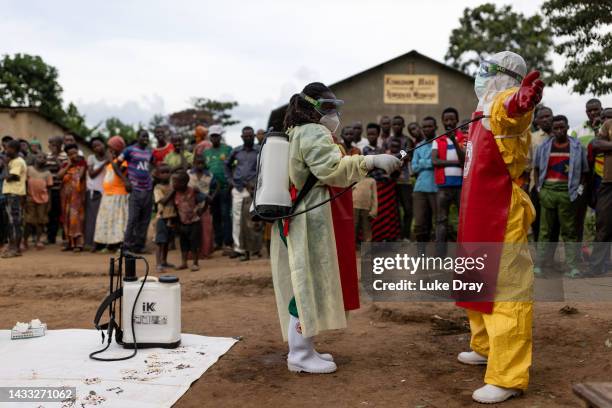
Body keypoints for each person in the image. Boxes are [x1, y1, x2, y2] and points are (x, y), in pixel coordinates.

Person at [270, 82, 401, 374]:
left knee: (306, 280)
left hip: (297, 214)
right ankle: (300, 354)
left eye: (334, 107)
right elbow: (330, 169)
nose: (333, 114)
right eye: (327, 107)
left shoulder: (296, 132)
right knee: (307, 284)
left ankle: (305, 347)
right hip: (308, 217)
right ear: (311, 108)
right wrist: (371, 161)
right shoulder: (313, 132)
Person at [455, 51, 543, 404]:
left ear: (506, 77)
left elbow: (515, 112)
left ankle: (508, 376)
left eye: (488, 70)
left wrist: (524, 98)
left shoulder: (504, 101)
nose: (480, 75)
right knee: (474, 278)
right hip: (475, 209)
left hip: (500, 210)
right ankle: (485, 345)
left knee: (507, 288)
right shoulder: (483, 107)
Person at [533, 115, 588, 277]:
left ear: (567, 127)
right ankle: (539, 266)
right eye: (555, 128)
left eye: (562, 127)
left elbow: (585, 172)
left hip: (568, 192)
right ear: (552, 129)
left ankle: (573, 267)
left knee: (569, 231)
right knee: (544, 231)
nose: (559, 131)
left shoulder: (577, 147)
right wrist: (538, 188)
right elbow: (536, 168)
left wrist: (579, 189)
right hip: (548, 191)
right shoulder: (543, 147)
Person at [432, 113, 465, 254]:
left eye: (452, 119)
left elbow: (464, 160)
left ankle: (464, 254)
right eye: (446, 119)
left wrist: (455, 141)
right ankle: (440, 254)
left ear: (457, 120)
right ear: (442, 121)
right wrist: (455, 163)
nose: (449, 122)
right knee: (441, 220)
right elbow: (435, 161)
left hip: (461, 187)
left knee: (463, 221)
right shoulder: (437, 140)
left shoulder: (463, 138)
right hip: (443, 187)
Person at [571, 99, 603, 245]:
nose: (593, 113)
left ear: (601, 109)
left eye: (596, 109)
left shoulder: (607, 128)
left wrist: (598, 129)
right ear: (586, 112)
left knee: (602, 216)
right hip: (582, 179)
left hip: (602, 179)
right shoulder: (577, 130)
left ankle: (598, 253)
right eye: (590, 110)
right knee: (579, 215)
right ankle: (579, 252)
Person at [225, 126, 259, 258]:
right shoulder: (236, 151)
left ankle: (254, 248)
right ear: (242, 137)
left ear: (254, 136)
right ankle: (239, 248)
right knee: (237, 218)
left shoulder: (259, 150)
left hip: (253, 188)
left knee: (254, 219)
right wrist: (231, 181)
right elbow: (227, 165)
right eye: (246, 136)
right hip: (238, 188)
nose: (249, 138)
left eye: (251, 136)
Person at [120, 129, 154, 253]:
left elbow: (153, 165)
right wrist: (125, 180)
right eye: (143, 136)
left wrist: (152, 176)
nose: (146, 138)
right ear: (137, 137)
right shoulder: (129, 150)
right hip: (135, 189)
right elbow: (115, 165)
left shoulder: (149, 152)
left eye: (147, 136)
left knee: (145, 220)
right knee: (133, 219)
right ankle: (126, 247)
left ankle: (139, 246)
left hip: (148, 190)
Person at [94, 136, 130, 252]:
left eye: (111, 148)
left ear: (117, 148)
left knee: (118, 221)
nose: (109, 150)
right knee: (108, 221)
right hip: (107, 196)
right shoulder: (110, 163)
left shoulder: (123, 161)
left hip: (118, 196)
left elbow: (120, 173)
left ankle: (120, 244)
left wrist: (110, 159)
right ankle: (109, 244)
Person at [411, 120, 438, 255]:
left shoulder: (440, 143)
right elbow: (414, 167)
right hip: (420, 188)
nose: (427, 129)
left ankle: (439, 252)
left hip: (437, 187)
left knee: (438, 220)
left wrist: (423, 162)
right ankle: (421, 252)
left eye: (429, 126)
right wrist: (430, 162)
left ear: (435, 127)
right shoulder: (418, 146)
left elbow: (438, 163)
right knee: (420, 222)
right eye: (424, 127)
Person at [589, 115, 612, 276]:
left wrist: (609, 146)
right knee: (603, 225)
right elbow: (596, 144)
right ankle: (595, 267)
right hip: (608, 183)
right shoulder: (609, 124)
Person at [205, 125, 233, 252]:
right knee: (215, 216)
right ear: (210, 137)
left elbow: (234, 166)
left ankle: (228, 242)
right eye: (213, 136)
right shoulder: (206, 152)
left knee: (225, 214)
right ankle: (218, 241)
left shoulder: (228, 149)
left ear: (220, 136)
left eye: (217, 135)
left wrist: (231, 182)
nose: (215, 138)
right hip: (211, 190)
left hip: (225, 188)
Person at [528, 107, 555, 242]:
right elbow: (528, 163)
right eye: (542, 117)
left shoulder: (560, 136)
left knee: (555, 222)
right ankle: (540, 254)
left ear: (553, 117)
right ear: (536, 121)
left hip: (558, 185)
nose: (545, 119)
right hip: (537, 185)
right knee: (537, 220)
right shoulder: (532, 138)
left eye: (548, 116)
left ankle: (550, 254)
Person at [172, 171, 207, 271]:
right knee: (183, 243)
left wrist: (202, 210)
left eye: (175, 182)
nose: (173, 184)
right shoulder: (175, 193)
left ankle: (195, 263)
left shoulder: (193, 192)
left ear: (183, 183)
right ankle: (184, 263)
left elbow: (207, 199)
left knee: (194, 243)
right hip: (182, 223)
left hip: (194, 222)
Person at [58, 144, 87, 252]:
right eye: (70, 154)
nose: (73, 155)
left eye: (75, 153)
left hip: (77, 196)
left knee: (76, 218)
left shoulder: (82, 163)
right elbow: (59, 176)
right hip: (65, 196)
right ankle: (69, 243)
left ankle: (78, 243)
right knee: (66, 219)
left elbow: (80, 176)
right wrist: (68, 165)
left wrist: (76, 164)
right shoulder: (65, 164)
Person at [189, 155, 218, 259]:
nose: (200, 165)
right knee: (192, 230)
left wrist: (210, 198)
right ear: (194, 163)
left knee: (206, 228)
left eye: (202, 163)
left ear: (205, 163)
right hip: (190, 206)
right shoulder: (188, 174)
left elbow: (215, 187)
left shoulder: (209, 175)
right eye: (198, 163)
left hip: (205, 205)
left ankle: (205, 252)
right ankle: (191, 252)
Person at [1, 140, 26, 258]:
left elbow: (9, 178)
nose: (6, 151)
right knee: (11, 222)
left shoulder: (17, 162)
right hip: (10, 194)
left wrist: (6, 164)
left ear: (14, 150)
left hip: (14, 194)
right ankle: (12, 247)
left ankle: (15, 249)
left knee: (14, 222)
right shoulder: (13, 161)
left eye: (8, 149)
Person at [24, 153, 52, 250]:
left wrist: (49, 203)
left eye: (44, 158)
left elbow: (49, 189)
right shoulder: (29, 169)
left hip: (43, 199)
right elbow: (25, 183)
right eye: (40, 157)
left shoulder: (47, 173)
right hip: (30, 198)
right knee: (29, 220)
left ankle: (38, 240)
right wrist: (24, 198)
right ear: (35, 159)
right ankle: (24, 241)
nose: (42, 159)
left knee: (41, 221)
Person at [85, 137, 108, 251]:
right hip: (95, 191)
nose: (97, 148)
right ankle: (93, 243)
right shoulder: (91, 158)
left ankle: (104, 243)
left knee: (105, 218)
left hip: (108, 192)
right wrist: (104, 164)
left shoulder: (110, 156)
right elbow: (92, 174)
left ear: (104, 144)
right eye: (94, 146)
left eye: (99, 145)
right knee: (93, 218)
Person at [153, 163, 177, 272]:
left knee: (167, 241)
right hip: (161, 218)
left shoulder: (172, 186)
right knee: (160, 241)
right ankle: (158, 264)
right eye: (163, 172)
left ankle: (164, 261)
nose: (166, 174)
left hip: (171, 217)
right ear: (158, 175)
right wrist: (173, 191)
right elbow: (162, 201)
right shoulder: (158, 188)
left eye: (168, 172)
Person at [45, 136, 68, 244]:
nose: (51, 146)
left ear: (60, 145)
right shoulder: (47, 155)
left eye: (54, 144)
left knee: (62, 213)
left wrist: (56, 158)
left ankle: (65, 237)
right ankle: (51, 237)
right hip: (50, 189)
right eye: (51, 144)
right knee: (51, 213)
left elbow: (64, 169)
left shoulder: (64, 156)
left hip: (61, 188)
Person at [239, 179, 263, 261]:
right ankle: (247, 254)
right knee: (245, 237)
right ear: (247, 190)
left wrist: (259, 222)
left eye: (254, 189)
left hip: (256, 223)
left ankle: (257, 252)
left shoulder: (259, 199)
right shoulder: (245, 199)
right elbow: (242, 212)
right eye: (251, 189)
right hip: (245, 222)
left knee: (257, 237)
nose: (252, 191)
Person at [352, 175, 377, 244]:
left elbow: (374, 196)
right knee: (354, 226)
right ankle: (352, 247)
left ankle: (367, 248)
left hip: (367, 207)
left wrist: (374, 210)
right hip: (354, 206)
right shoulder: (354, 178)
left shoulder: (372, 181)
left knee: (367, 228)